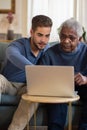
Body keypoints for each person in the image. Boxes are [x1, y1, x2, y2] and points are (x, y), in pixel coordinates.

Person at [0, 15, 53, 130]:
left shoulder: (47, 50)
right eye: (39, 35)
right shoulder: (18, 45)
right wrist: (33, 69)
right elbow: (12, 54)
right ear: (31, 32)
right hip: (8, 84)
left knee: (37, 89)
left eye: (47, 36)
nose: (43, 40)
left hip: (27, 88)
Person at [37, 18, 87, 130]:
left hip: (82, 86)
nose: (66, 41)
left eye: (71, 38)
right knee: (56, 98)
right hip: (58, 89)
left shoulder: (86, 51)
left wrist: (86, 79)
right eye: (63, 36)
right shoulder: (50, 53)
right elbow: (39, 76)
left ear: (79, 39)